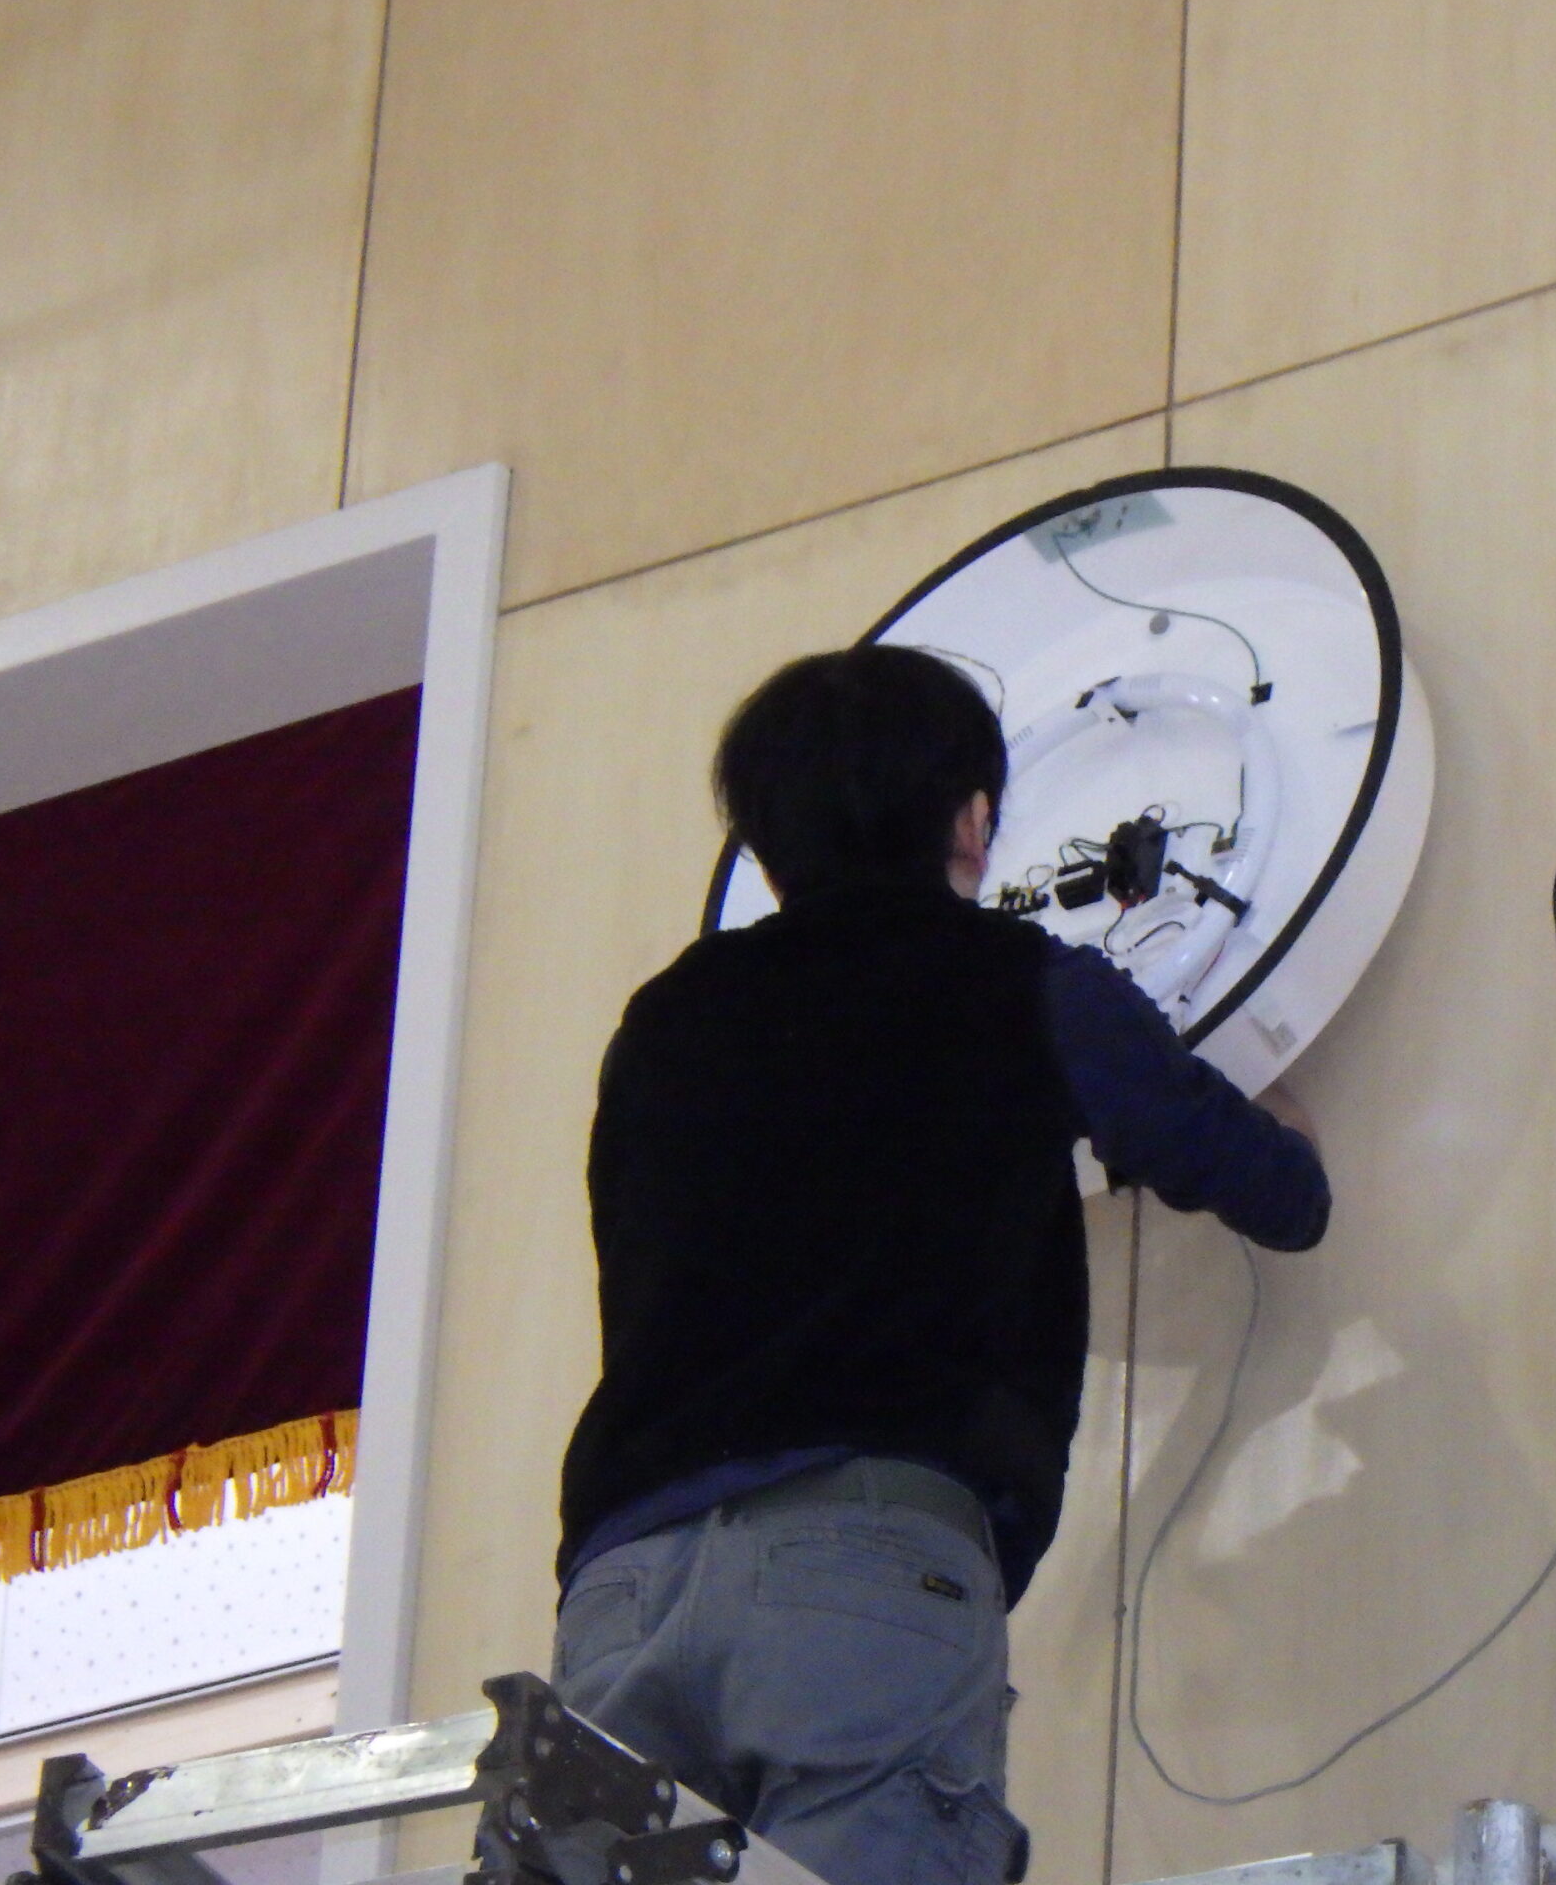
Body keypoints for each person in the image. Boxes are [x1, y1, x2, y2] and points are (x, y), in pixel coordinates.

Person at [548, 644, 1327, 1885]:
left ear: (765, 852)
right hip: (858, 1564)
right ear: (970, 820)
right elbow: (1274, 1193)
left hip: (620, 1584)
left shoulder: (661, 1021)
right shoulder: (1022, 984)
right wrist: (1285, 1117)